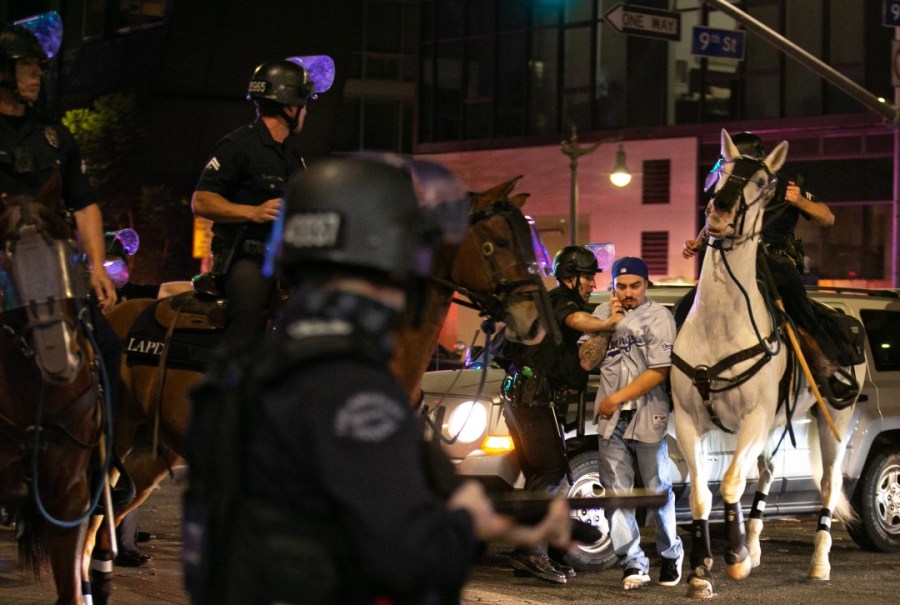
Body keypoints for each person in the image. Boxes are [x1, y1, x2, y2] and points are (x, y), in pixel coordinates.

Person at [182, 155, 574, 605]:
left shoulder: (239, 378)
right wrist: (464, 529)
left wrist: (501, 520)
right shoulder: (358, 392)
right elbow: (408, 558)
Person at [681, 131, 853, 405]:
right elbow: (719, 217)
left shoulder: (782, 184)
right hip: (732, 259)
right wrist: (699, 243)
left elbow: (828, 217)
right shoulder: (729, 181)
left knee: (800, 309)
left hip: (774, 263)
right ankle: (674, 370)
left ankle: (828, 370)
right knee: (688, 305)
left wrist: (800, 201)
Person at [499, 245, 622, 584]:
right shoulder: (561, 303)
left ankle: (534, 551)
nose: (592, 283)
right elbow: (575, 319)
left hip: (525, 398)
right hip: (533, 399)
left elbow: (582, 358)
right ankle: (530, 553)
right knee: (552, 472)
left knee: (541, 475)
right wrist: (607, 322)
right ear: (570, 276)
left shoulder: (551, 302)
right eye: (587, 276)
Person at [191, 58, 327, 350]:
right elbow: (201, 201)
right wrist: (252, 212)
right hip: (246, 258)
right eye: (304, 105)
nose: (305, 112)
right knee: (250, 315)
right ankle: (231, 388)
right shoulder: (237, 146)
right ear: (290, 107)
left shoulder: (293, 157)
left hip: (287, 261)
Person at [579, 256, 683, 590]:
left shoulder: (660, 317)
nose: (627, 292)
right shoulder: (601, 314)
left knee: (657, 489)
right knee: (618, 493)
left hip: (647, 414)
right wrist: (609, 325)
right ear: (612, 287)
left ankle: (670, 554)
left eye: (634, 285)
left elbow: (659, 370)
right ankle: (633, 563)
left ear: (646, 285)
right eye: (621, 286)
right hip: (612, 421)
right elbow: (586, 361)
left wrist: (616, 398)